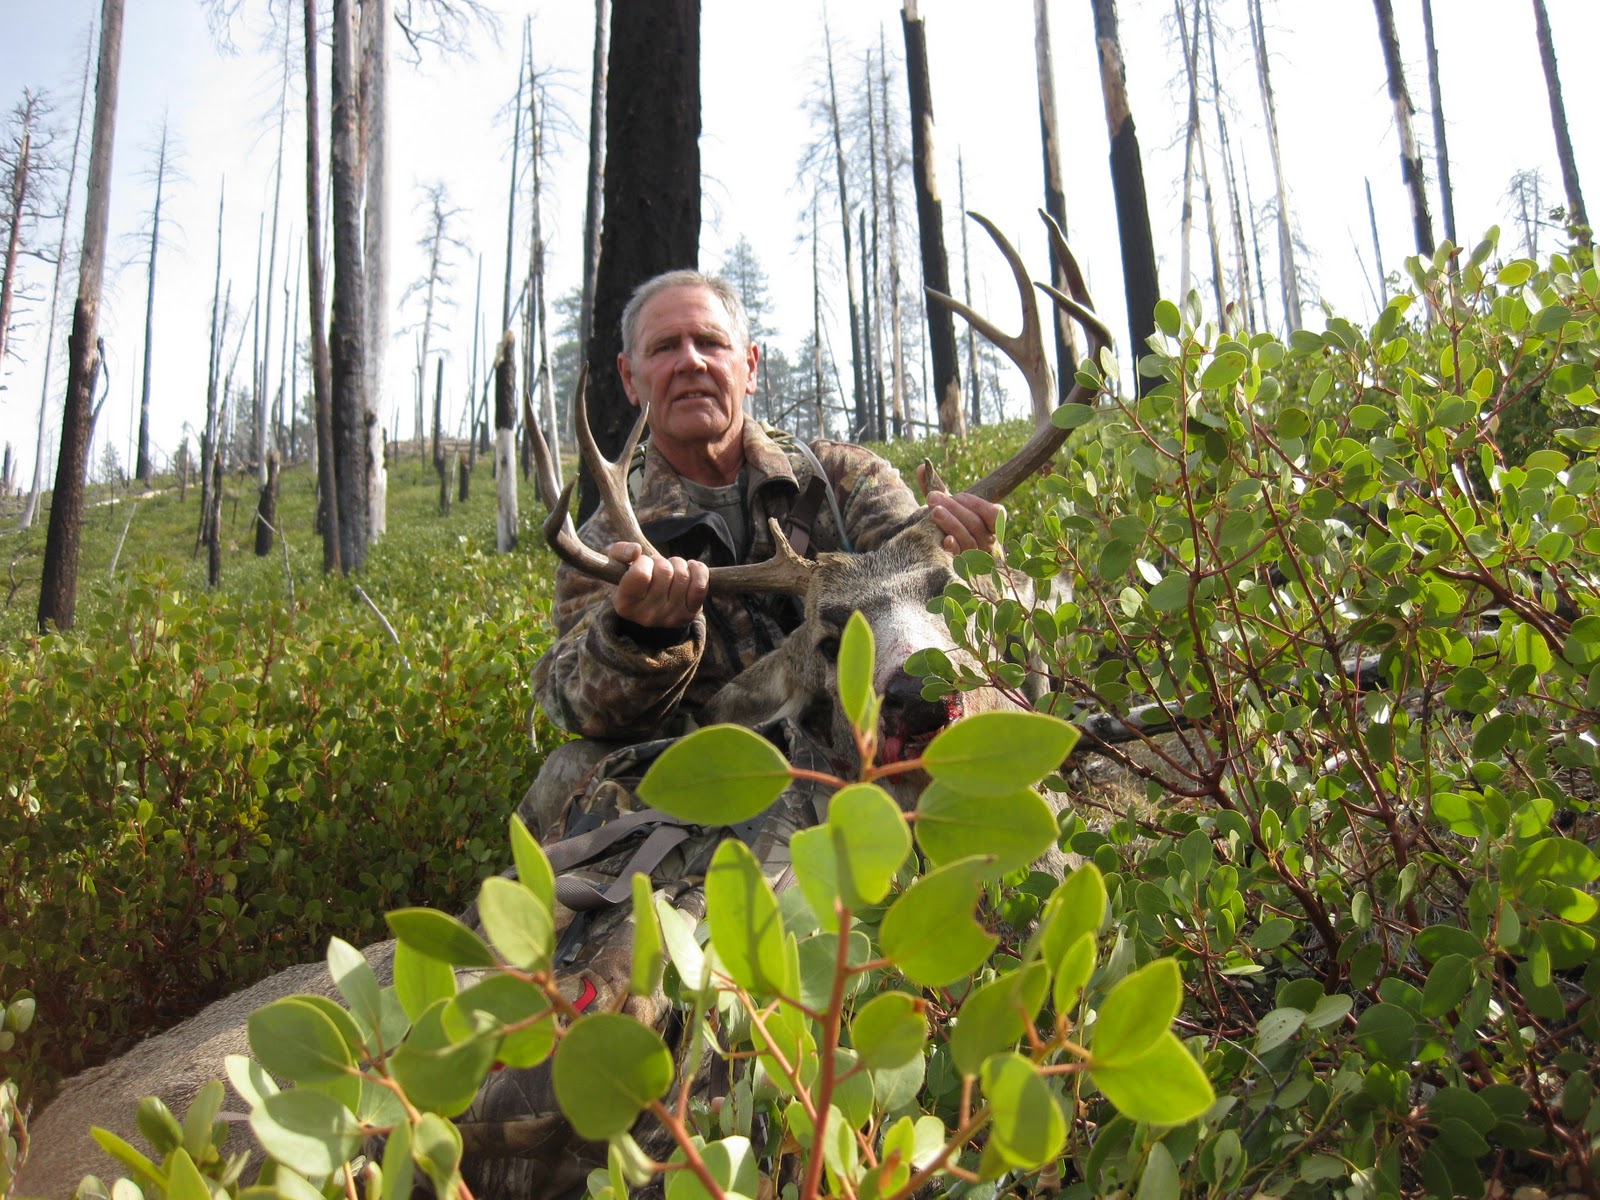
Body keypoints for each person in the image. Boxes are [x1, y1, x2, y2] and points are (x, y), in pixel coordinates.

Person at [524, 269, 1001, 833]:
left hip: (857, 746)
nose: (691, 362)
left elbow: (913, 563)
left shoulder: (842, 476)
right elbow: (568, 702)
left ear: (749, 366)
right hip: (706, 777)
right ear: (631, 378)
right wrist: (638, 637)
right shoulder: (607, 544)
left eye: (711, 343)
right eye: (664, 347)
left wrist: (964, 549)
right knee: (571, 771)